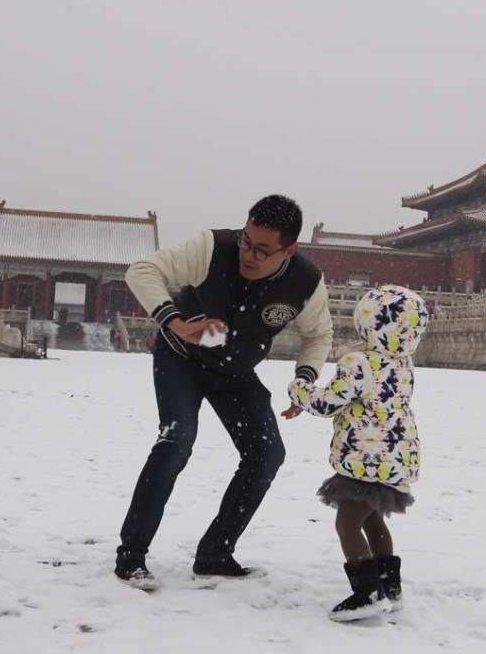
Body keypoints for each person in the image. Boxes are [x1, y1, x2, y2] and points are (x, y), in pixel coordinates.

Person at [114, 194, 333, 589]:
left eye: (263, 250)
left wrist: (304, 379)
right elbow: (142, 270)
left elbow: (318, 335)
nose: (249, 255)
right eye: (247, 242)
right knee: (177, 440)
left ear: (290, 249)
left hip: (235, 370)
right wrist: (176, 322)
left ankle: (215, 552)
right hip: (182, 356)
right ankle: (131, 556)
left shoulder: (305, 281)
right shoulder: (214, 247)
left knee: (267, 454)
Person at [286, 284, 429, 621]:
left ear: (367, 321)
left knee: (348, 523)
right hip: (396, 456)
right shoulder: (404, 363)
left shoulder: (359, 363)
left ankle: (366, 593)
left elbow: (327, 402)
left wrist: (299, 389)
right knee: (373, 517)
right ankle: (389, 588)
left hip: (365, 459)